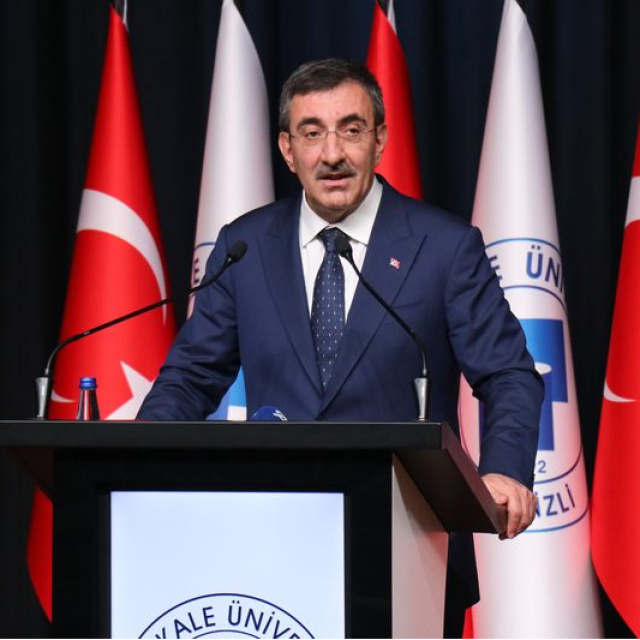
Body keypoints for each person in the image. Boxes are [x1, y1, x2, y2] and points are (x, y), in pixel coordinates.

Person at [138, 58, 543, 637]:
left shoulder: (444, 247)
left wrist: (503, 472)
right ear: (287, 149)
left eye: (351, 130)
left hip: (411, 546)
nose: (332, 154)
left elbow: (508, 375)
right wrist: (139, 463)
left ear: (380, 139)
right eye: (312, 133)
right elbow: (189, 379)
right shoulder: (245, 246)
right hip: (271, 550)